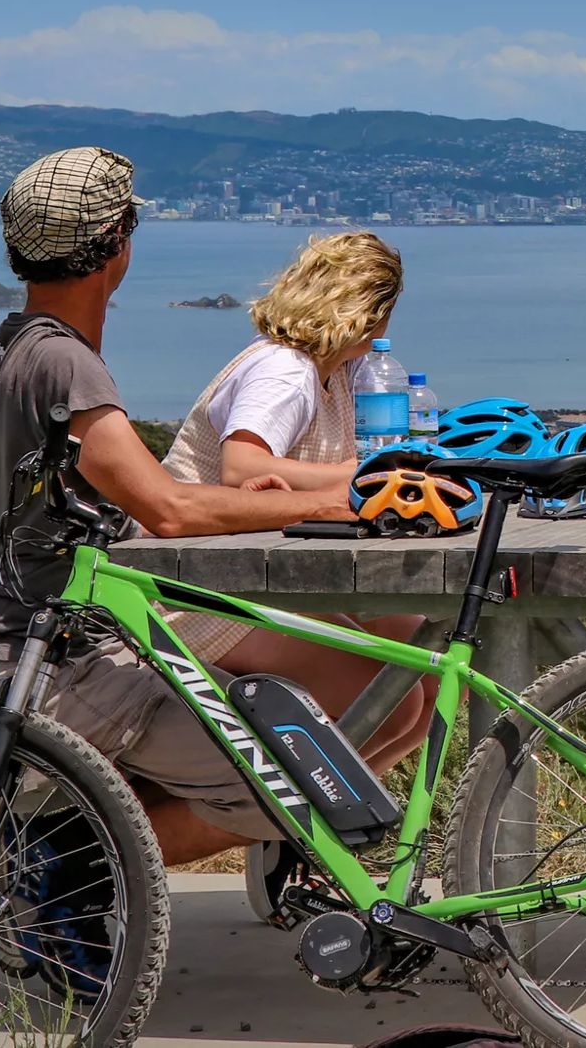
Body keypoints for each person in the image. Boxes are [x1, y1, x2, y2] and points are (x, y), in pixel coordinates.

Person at [0, 146, 354, 872]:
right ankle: (68, 875)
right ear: (117, 246)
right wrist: (341, 496)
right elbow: (167, 509)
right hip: (65, 670)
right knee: (301, 783)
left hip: (28, 650)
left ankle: (74, 868)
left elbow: (112, 507)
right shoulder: (64, 361)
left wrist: (244, 503)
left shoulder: (17, 344)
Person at [164, 231, 437, 908]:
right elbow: (245, 470)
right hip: (194, 594)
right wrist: (353, 475)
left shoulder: (336, 374)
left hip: (252, 582)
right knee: (393, 695)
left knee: (422, 660)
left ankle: (309, 835)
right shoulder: (283, 370)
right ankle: (298, 831)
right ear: (367, 310)